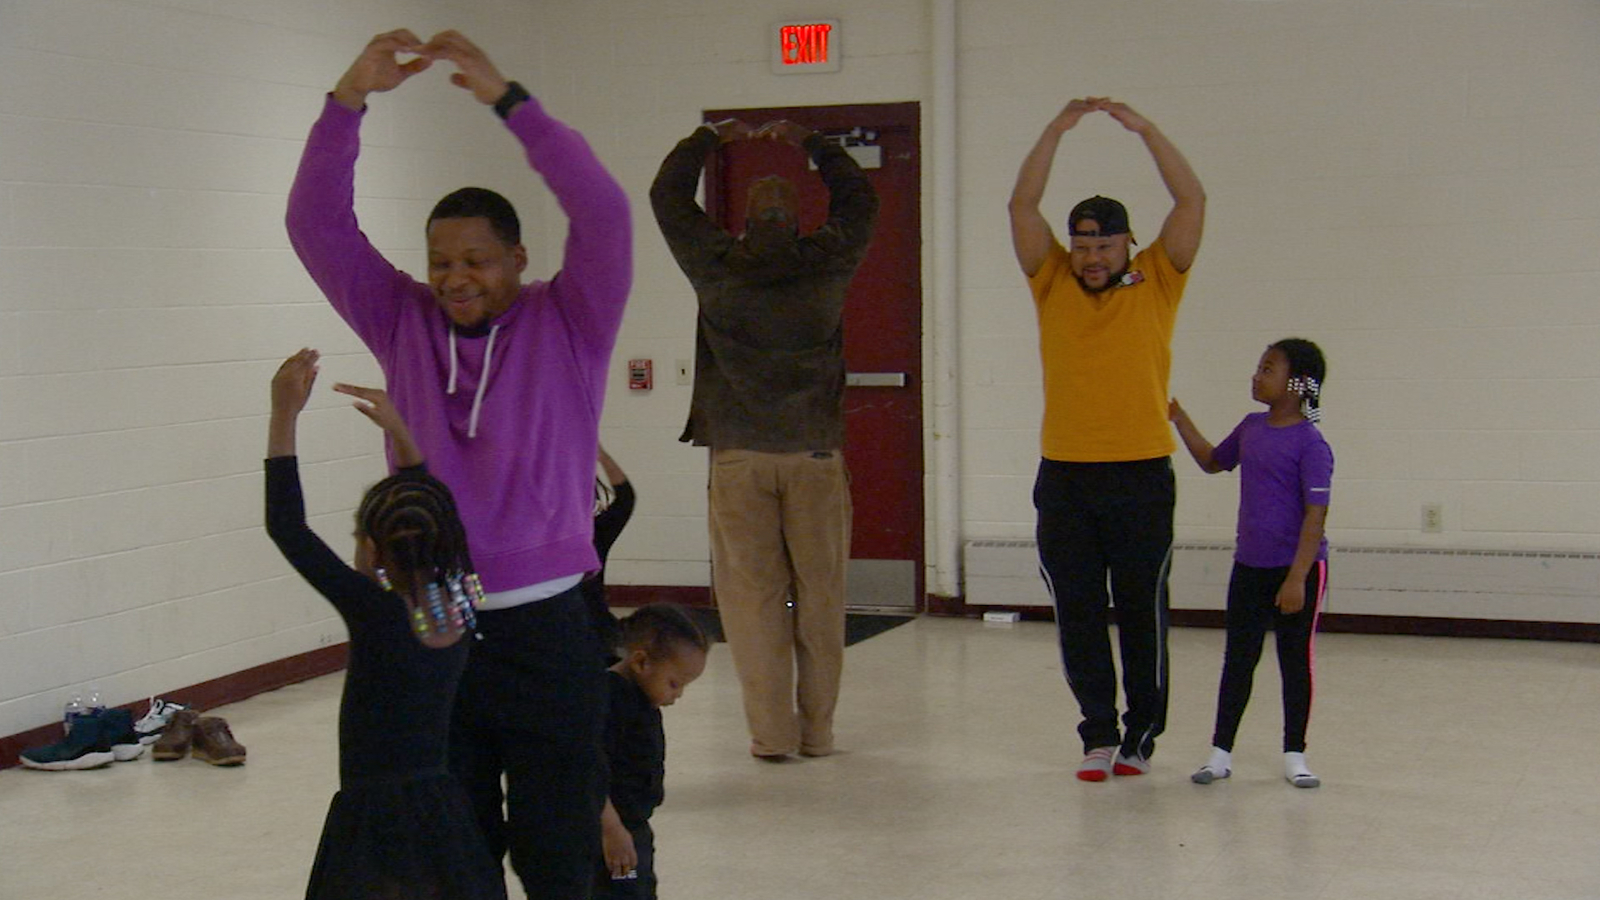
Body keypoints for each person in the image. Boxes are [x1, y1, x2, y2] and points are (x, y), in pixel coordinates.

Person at [285, 29, 631, 897]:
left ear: (519, 258)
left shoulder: (572, 319)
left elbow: (606, 212)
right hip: (438, 618)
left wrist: (510, 102)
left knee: (557, 847)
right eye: (441, 261)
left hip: (551, 623)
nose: (455, 278)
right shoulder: (400, 318)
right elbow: (314, 223)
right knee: (455, 845)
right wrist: (347, 100)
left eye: (477, 260)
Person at [650, 117, 878, 760]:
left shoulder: (716, 264)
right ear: (799, 217)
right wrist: (814, 143)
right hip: (814, 453)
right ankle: (819, 733)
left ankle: (771, 736)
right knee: (822, 599)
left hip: (740, 456)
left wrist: (707, 139)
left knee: (750, 606)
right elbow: (861, 199)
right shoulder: (828, 261)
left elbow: (668, 197)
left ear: (745, 220)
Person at [1008, 97, 1205, 781]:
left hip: (1142, 473)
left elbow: (1191, 197)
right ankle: (1096, 731)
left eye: (1104, 246)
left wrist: (1147, 131)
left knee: (1142, 609)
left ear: (1127, 243)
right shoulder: (1051, 279)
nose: (1092, 257)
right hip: (1065, 475)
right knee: (1079, 610)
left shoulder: (1160, 277)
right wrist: (1055, 130)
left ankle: (1140, 734)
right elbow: (1021, 207)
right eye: (1083, 245)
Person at [263, 348, 507, 900]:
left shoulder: (377, 614)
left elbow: (287, 527)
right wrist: (402, 435)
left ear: (372, 549)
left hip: (374, 812)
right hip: (441, 805)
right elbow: (436, 511)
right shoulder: (464, 600)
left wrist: (283, 414)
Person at [1169, 339, 1333, 789]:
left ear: (1297, 383)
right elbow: (1211, 462)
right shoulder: (1250, 427)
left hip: (1296, 572)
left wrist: (1298, 577)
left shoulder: (1311, 444)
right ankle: (1220, 753)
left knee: (1294, 660)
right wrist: (1180, 420)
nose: (1256, 376)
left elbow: (1315, 515)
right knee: (1238, 659)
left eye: (1268, 369)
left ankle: (1295, 753)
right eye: (1258, 367)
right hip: (1249, 566)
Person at [595, 605, 711, 899]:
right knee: (623, 889)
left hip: (633, 827)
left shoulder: (641, 697)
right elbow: (589, 773)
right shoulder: (611, 703)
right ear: (641, 662)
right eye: (674, 683)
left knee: (638, 886)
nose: (678, 694)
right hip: (612, 833)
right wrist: (611, 831)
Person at [584, 444, 637, 663]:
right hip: (566, 628)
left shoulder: (595, 533)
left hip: (596, 633)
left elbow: (625, 499)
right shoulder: (540, 534)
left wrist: (602, 456)